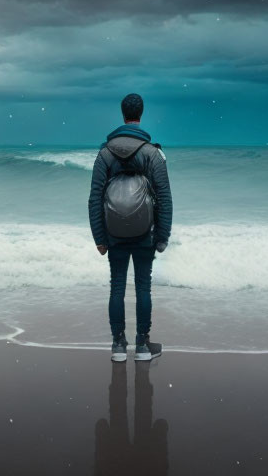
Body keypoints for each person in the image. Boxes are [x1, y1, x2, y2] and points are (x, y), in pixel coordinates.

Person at [88, 93, 173, 362]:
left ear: (123, 114)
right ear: (141, 114)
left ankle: (118, 346)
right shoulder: (152, 153)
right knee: (143, 288)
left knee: (116, 287)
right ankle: (143, 347)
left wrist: (99, 238)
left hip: (113, 234)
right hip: (145, 233)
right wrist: (162, 236)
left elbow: (95, 198)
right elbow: (165, 197)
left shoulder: (104, 154)